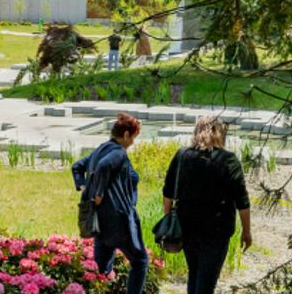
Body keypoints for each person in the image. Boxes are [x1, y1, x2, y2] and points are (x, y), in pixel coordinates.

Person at [163, 116, 252, 294]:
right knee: (206, 282)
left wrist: (168, 221)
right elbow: (242, 201)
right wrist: (246, 231)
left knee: (194, 273)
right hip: (216, 232)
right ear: (220, 134)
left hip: (187, 228)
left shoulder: (182, 156)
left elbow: (168, 194)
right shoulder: (228, 159)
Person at [72, 113, 148, 294]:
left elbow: (77, 166)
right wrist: (98, 192)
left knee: (102, 271)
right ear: (127, 134)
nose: (133, 143)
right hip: (118, 221)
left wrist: (83, 187)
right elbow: (104, 166)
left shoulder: (100, 149)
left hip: (100, 222)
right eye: (133, 138)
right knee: (140, 262)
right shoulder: (118, 153)